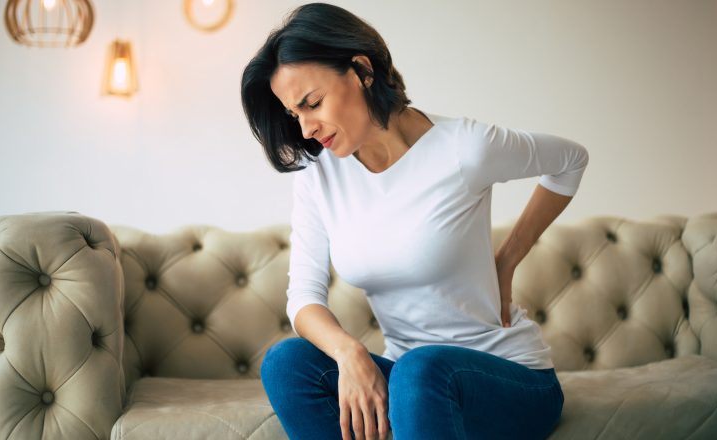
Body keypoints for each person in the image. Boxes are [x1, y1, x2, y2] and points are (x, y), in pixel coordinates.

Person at [241, 3, 588, 439]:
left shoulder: (464, 148)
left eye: (312, 103)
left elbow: (571, 160)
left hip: (509, 380)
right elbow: (303, 300)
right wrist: (349, 354)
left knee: (420, 369)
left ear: (362, 71)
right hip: (413, 388)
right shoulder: (320, 173)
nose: (307, 127)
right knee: (288, 363)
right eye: (295, 114)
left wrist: (507, 260)